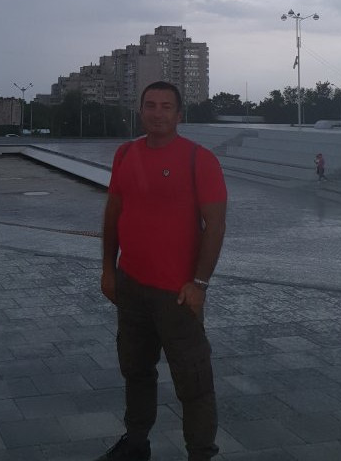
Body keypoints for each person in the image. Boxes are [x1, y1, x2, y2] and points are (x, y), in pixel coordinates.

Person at [97, 81, 227, 461]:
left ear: (179, 114)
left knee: (194, 381)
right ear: (141, 111)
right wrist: (108, 268)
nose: (158, 113)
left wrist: (199, 283)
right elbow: (113, 215)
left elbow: (215, 226)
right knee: (136, 370)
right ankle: (136, 442)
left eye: (166, 106)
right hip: (131, 286)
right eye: (150, 105)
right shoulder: (126, 154)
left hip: (178, 293)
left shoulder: (198, 159)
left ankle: (201, 453)